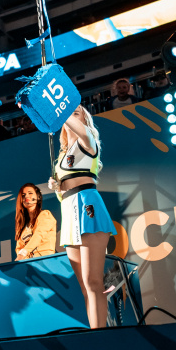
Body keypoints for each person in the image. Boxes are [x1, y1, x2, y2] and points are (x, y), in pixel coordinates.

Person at [48, 105, 116, 329]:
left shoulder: (88, 141)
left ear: (85, 121)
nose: (70, 113)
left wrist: (58, 107)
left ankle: (100, 335)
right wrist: (57, 187)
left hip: (87, 206)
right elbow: (63, 195)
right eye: (68, 112)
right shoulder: (63, 155)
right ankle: (95, 332)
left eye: (76, 112)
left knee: (93, 281)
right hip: (69, 211)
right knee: (84, 287)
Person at [14, 183, 56, 259]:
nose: (26, 196)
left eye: (30, 193)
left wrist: (23, 253)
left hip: (45, 260)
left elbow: (39, 235)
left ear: (38, 197)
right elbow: (19, 248)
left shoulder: (45, 215)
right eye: (23, 195)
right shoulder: (24, 226)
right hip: (29, 263)